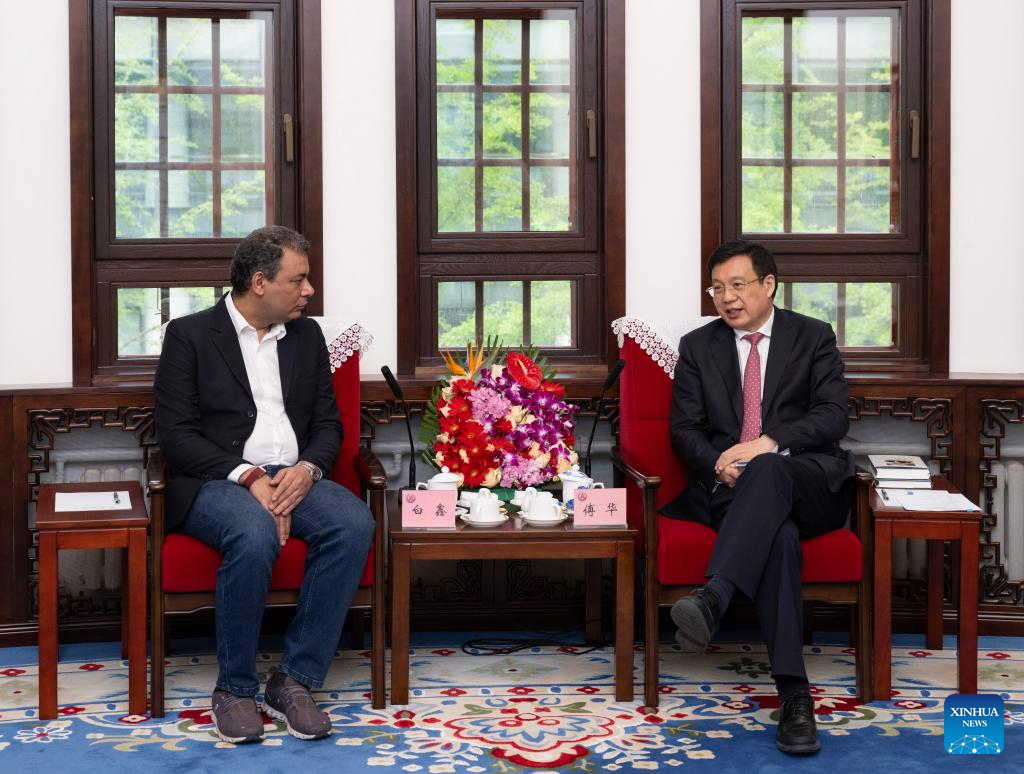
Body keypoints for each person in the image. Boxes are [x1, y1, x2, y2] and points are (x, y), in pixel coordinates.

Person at [154, 225, 374, 744]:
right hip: (217, 481)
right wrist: (250, 476)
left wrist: (307, 470)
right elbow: (177, 436)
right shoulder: (189, 336)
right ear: (259, 282)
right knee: (252, 533)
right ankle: (234, 689)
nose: (308, 291)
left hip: (295, 474)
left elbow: (329, 425)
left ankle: (293, 679)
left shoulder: (307, 337)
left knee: (352, 522)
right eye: (298, 280)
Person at [662, 240, 853, 755]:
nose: (727, 297)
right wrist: (718, 462)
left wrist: (767, 443)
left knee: (769, 467)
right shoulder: (698, 347)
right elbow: (684, 430)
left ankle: (716, 593)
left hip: (808, 482)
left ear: (769, 285)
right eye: (716, 288)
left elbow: (833, 414)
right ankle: (795, 696)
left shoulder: (812, 336)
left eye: (737, 285)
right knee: (780, 539)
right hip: (734, 490)